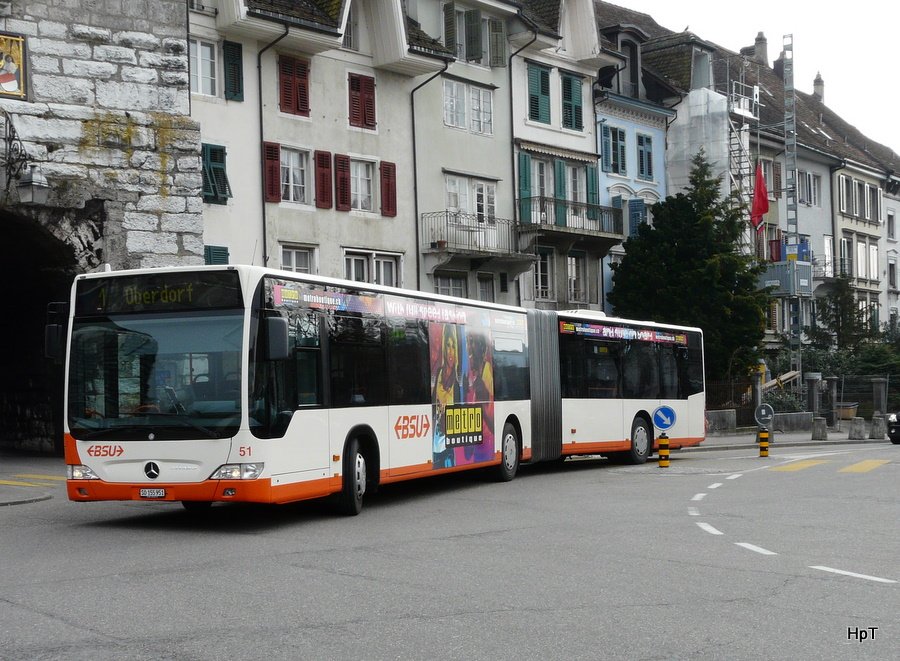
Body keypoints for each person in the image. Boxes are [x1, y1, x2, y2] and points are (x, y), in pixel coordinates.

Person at [432, 324, 461, 468]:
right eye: (448, 345)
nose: (451, 351)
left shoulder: (457, 382)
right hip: (435, 445)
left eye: (453, 346)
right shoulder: (438, 374)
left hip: (449, 446)